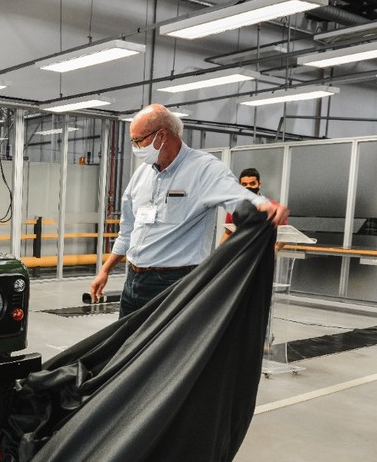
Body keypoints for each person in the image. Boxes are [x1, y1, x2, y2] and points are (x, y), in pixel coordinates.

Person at [90, 104, 288, 317]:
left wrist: (261, 205)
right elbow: (127, 231)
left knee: (167, 340)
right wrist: (105, 270)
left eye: (139, 141)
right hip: (133, 280)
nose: (135, 147)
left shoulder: (204, 169)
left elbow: (236, 195)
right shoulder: (141, 174)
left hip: (174, 283)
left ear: (161, 136)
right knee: (128, 339)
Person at [220, 168, 263, 243]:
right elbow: (228, 233)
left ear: (259, 184)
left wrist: (275, 247)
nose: (248, 187)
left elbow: (282, 234)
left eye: (252, 184)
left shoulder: (270, 207)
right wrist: (221, 248)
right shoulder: (234, 208)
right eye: (244, 184)